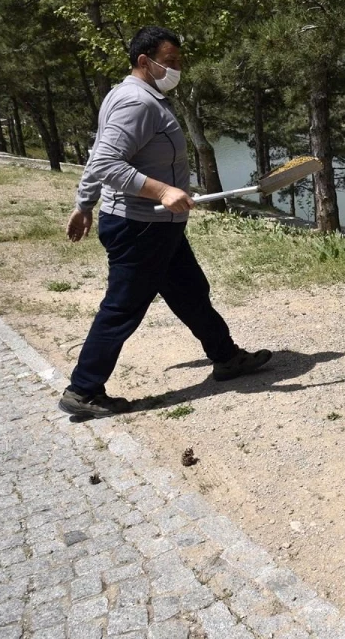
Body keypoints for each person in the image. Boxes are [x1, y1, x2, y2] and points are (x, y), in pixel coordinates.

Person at [60, 26, 271, 419]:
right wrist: (160, 191)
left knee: (191, 290)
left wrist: (84, 203)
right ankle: (83, 390)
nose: (177, 69)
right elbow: (105, 162)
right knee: (123, 308)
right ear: (145, 61)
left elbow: (97, 153)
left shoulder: (136, 95)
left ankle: (226, 358)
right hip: (140, 226)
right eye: (169, 62)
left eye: (178, 61)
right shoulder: (135, 103)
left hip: (159, 226)